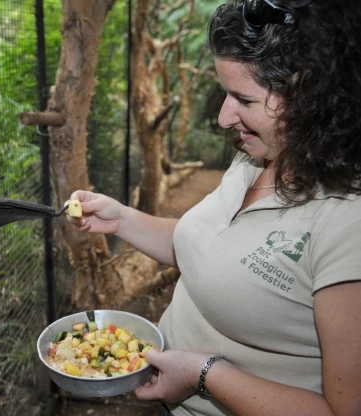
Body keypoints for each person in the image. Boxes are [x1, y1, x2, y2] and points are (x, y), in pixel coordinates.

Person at [65, 0, 361, 415]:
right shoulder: (256, 157)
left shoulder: (349, 222)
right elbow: (208, 247)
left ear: (316, 100)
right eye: (226, 93)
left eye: (244, 99)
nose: (224, 117)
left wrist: (204, 375)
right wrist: (122, 220)